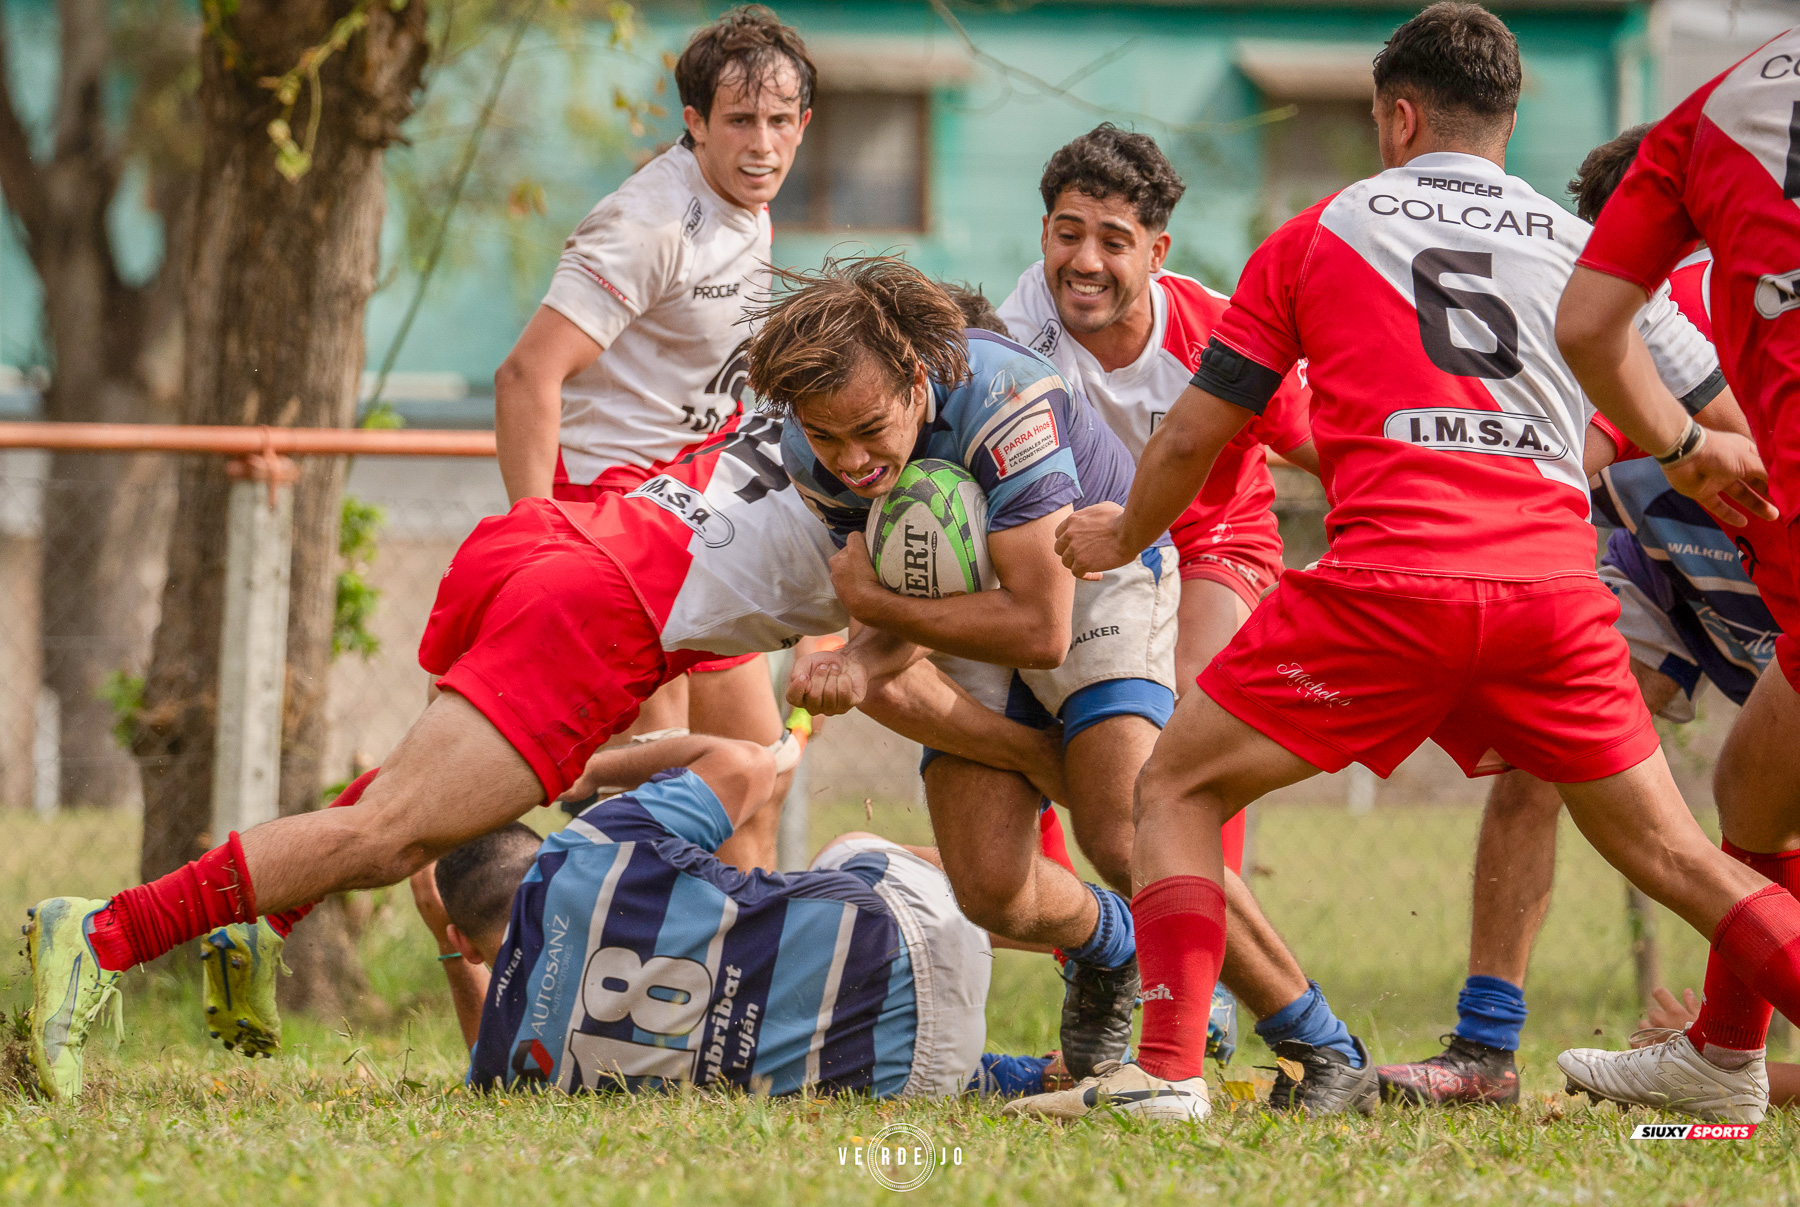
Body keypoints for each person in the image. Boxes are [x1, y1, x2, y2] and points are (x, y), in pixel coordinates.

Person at [1009, 2, 1798, 1127]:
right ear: (1509, 124)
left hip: (1388, 594)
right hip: (1555, 600)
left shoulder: (1319, 232)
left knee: (1177, 784)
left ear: (1397, 115)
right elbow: (1730, 432)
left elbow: (1193, 434)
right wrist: (1685, 451)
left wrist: (1121, 535)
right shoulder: (1582, 245)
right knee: (1690, 860)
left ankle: (1171, 1071)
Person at [19, 418, 1063, 1102]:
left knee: (413, 808)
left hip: (569, 540)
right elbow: (975, 635)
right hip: (607, 614)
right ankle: (102, 934)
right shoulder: (911, 477)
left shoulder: (806, 406)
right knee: (389, 837)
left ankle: (260, 921)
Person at [1377, 125, 1785, 1108]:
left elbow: (1588, 434)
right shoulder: (1679, 310)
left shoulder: (1662, 304)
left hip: (1777, 600)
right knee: (1555, 754)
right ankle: (1511, 1050)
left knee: (1753, 798)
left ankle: (1718, 1058)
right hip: (1710, 593)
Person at [761, 257, 1177, 1077]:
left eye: (870, 428)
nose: (852, 461)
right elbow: (909, 602)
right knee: (989, 886)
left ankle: (1303, 1030)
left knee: (1122, 834)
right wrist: (855, 662)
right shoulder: (810, 456)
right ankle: (1115, 945)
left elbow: (1040, 627)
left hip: (1088, 581)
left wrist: (873, 620)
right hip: (979, 596)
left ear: (916, 381)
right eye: (826, 435)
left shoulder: (1005, 399)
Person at [998, 123, 1346, 1091]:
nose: (1086, 259)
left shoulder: (1217, 331)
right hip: (1081, 553)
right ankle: (1108, 943)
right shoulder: (1009, 337)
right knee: (1048, 723)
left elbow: (1323, 442)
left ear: (1158, 251)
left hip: (1211, 540)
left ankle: (1207, 978)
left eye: (1114, 239)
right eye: (1068, 232)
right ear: (1043, 233)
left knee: (1191, 721)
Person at [492, 6, 818, 871]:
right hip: (606, 510)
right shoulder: (648, 222)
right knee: (661, 783)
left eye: (780, 121)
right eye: (740, 121)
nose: (763, 145)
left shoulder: (752, 206)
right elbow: (526, 377)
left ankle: (731, 984)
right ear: (695, 123)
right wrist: (533, 534)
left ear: (804, 125)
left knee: (756, 780)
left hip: (697, 505)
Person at [1549, 21, 1800, 1116]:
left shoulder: (1706, 122)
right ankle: (1725, 1055)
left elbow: (1590, 324)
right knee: (1753, 782)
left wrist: (1686, 449)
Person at [407, 733, 1067, 1098]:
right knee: (845, 855)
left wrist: (444, 938)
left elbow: (482, 1066)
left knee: (805, 1054)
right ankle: (1075, 928)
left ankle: (1039, 1075)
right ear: (536, 847)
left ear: (461, 940)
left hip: (916, 1083)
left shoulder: (509, 1062)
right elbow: (745, 761)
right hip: (936, 942)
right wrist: (581, 775)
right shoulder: (582, 846)